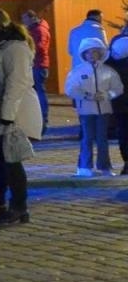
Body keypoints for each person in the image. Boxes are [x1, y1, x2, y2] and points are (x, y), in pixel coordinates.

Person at [0, 8, 41, 225]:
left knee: (11, 160)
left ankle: (19, 206)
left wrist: (7, 114)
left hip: (15, 112)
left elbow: (17, 83)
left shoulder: (16, 48)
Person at [64, 36, 123, 176]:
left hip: (104, 110)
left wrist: (107, 95)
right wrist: (87, 96)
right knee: (87, 138)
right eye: (88, 52)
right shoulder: (78, 71)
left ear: (100, 53)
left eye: (95, 52)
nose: (91, 55)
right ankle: (85, 167)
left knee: (102, 139)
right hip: (86, 110)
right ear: (84, 54)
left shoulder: (108, 71)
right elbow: (70, 89)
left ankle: (104, 167)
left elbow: (118, 88)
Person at [22, 10, 52, 131]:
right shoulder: (36, 29)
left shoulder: (39, 30)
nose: (23, 21)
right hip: (37, 64)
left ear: (31, 18)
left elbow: (40, 47)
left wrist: (26, 47)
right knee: (37, 92)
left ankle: (43, 118)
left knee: (39, 92)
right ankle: (39, 118)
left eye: (24, 18)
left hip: (38, 65)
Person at [107, 28, 128, 174]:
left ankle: (127, 162)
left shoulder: (111, 63)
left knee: (123, 132)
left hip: (119, 103)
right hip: (120, 103)